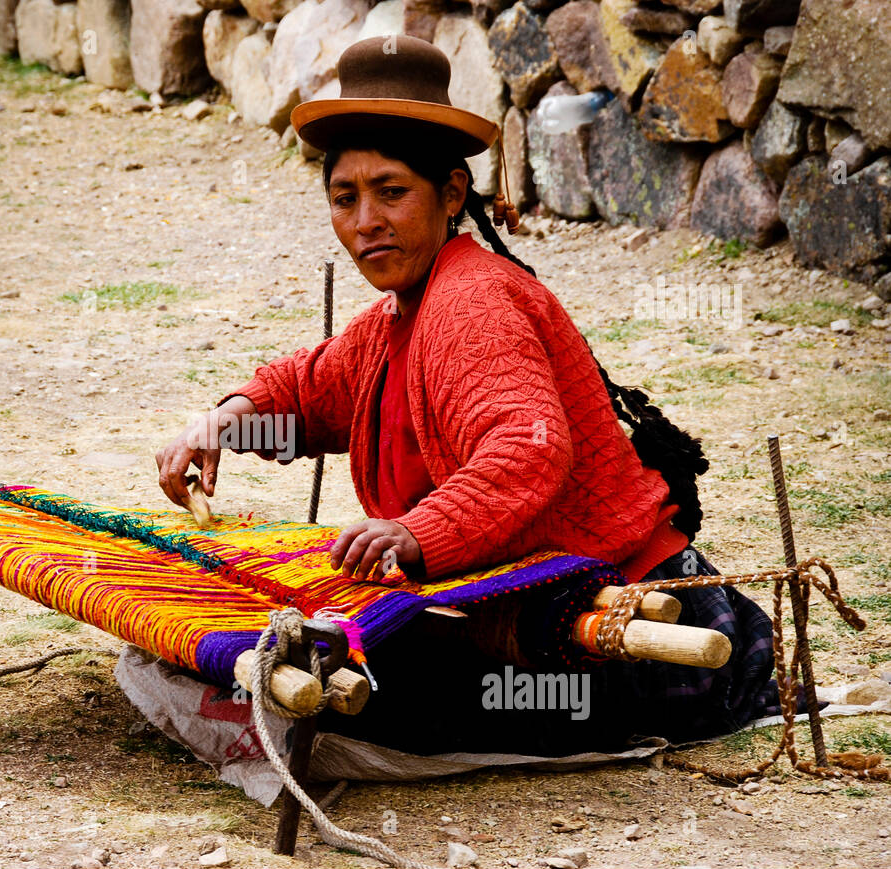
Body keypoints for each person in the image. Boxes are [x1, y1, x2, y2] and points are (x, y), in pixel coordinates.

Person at [155, 36, 793, 756]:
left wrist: (414, 533)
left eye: (392, 192)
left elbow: (527, 450)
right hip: (546, 619)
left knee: (341, 696)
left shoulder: (472, 300)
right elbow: (311, 389)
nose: (365, 221)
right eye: (344, 197)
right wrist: (225, 422)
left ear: (452, 192)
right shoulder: (402, 313)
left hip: (639, 635)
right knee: (285, 670)